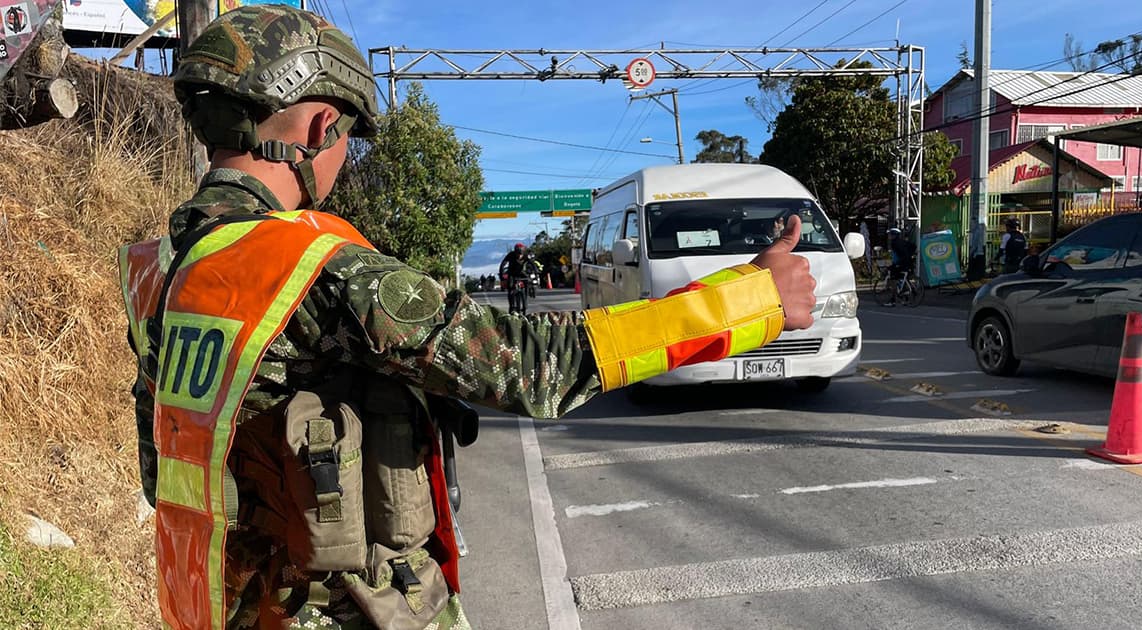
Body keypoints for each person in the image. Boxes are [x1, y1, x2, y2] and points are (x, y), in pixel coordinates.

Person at [117, 6, 816, 630]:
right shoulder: (308, 267)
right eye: (347, 139)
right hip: (336, 610)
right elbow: (538, 365)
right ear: (322, 124)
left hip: (211, 602)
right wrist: (754, 298)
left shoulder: (153, 270)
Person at [883, 227, 916, 307]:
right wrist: (910, 255)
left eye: (890, 234)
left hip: (900, 264)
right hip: (907, 263)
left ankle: (893, 300)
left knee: (893, 280)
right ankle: (905, 298)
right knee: (902, 279)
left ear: (894, 235)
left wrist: (896, 263)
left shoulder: (894, 243)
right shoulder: (903, 241)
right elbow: (913, 246)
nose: (889, 236)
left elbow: (899, 255)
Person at [498, 243, 531, 312]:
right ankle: (511, 306)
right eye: (517, 254)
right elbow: (503, 264)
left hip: (521, 273)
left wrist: (536, 272)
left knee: (527, 282)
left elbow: (532, 263)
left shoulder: (526, 255)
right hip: (512, 273)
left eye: (520, 254)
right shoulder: (511, 255)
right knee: (511, 289)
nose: (519, 256)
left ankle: (525, 300)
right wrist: (502, 276)